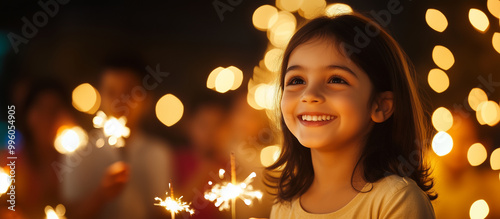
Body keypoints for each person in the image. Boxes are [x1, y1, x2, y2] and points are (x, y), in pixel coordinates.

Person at [266, 13, 436, 218]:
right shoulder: (284, 208)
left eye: (336, 80)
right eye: (296, 80)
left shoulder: (396, 199)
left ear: (380, 106)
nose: (309, 95)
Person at [61, 55, 172, 219]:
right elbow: (69, 214)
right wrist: (101, 195)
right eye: (111, 92)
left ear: (146, 100)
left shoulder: (158, 153)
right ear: (100, 96)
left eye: (129, 93)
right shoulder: (78, 152)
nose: (120, 102)